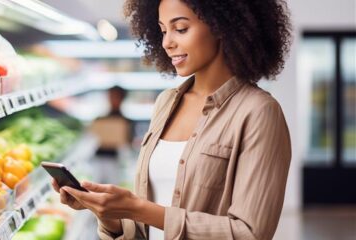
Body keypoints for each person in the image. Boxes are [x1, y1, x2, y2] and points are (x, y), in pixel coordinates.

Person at [52, 0, 293, 239]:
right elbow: (146, 229)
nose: (167, 43)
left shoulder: (259, 112)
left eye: (180, 29)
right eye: (163, 30)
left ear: (223, 26)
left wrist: (139, 209)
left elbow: (250, 233)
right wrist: (108, 213)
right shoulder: (165, 103)